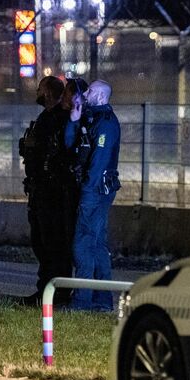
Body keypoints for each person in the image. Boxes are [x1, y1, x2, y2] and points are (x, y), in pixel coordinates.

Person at [65, 79, 121, 311]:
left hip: (95, 191)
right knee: (97, 245)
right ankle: (101, 301)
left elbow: (98, 164)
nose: (85, 94)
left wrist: (87, 192)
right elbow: (71, 146)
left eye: (90, 91)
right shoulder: (90, 119)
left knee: (82, 245)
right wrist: (74, 121)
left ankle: (82, 301)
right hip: (92, 189)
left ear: (100, 96)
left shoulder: (106, 124)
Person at [19, 76, 73, 306]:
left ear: (49, 92)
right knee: (41, 243)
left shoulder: (60, 119)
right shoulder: (45, 117)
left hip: (53, 192)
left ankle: (57, 293)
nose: (38, 93)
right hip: (39, 189)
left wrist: (37, 147)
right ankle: (44, 290)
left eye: (41, 89)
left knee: (54, 244)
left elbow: (58, 152)